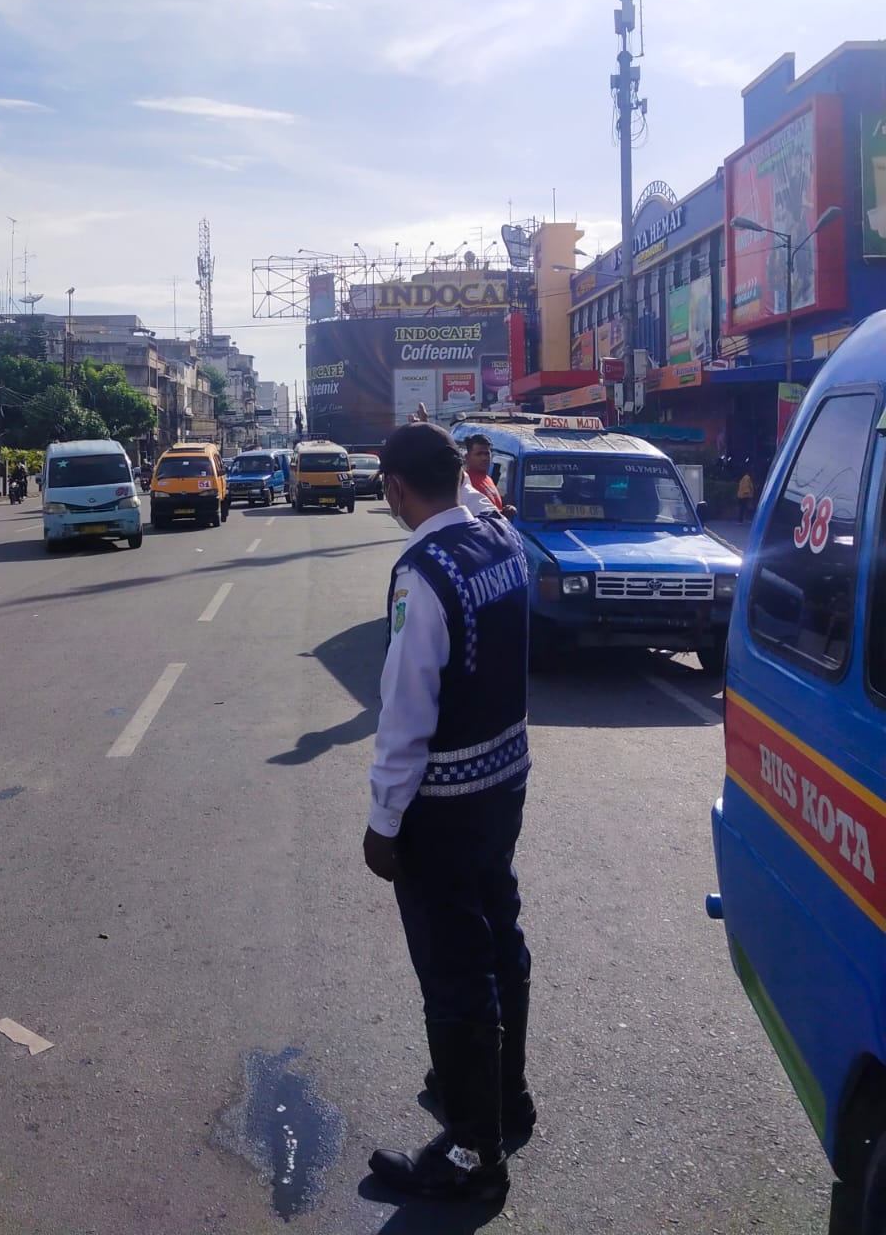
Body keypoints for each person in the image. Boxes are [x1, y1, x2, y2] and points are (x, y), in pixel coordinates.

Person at [364, 422, 534, 1205]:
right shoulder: (502, 538)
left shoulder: (422, 574)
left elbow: (405, 714)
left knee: (455, 971)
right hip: (505, 783)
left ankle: (473, 1153)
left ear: (397, 490)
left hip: (445, 806)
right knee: (500, 933)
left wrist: (383, 822)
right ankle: (506, 1097)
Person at [464, 433, 516, 519]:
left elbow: (494, 511)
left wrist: (506, 511)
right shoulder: (465, 481)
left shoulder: (488, 479)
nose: (484, 458)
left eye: (487, 453)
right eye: (479, 454)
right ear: (467, 457)